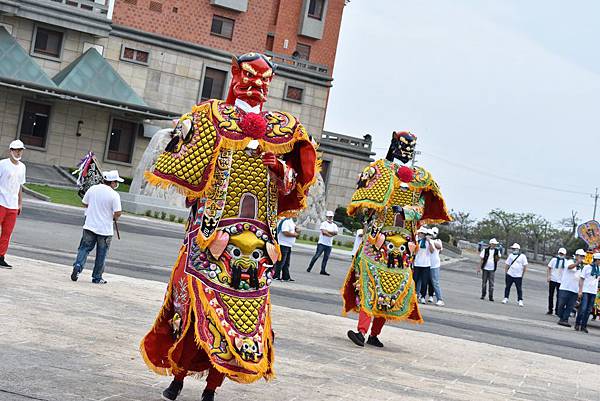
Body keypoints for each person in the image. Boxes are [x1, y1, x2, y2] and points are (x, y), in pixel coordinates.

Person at [139, 53, 318, 401]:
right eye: (250, 77)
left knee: (242, 319)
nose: (257, 87)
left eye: (264, 81)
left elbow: (294, 187)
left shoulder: (284, 129)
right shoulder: (211, 117)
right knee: (193, 311)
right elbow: (186, 172)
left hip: (258, 244)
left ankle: (211, 387)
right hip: (212, 236)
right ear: (236, 75)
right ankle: (178, 377)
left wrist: (281, 170)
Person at [342, 131, 451, 348]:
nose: (407, 151)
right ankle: (362, 331)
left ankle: (373, 333)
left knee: (392, 287)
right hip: (378, 239)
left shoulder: (419, 178)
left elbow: (421, 208)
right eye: (403, 146)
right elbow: (365, 201)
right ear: (393, 146)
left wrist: (405, 211)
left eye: (410, 147)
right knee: (369, 284)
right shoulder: (380, 170)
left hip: (403, 245)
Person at [70, 170, 123, 284]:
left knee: (84, 248)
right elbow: (118, 212)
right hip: (105, 229)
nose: (116, 184)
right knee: (101, 254)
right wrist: (114, 218)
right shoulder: (114, 195)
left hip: (89, 225)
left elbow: (84, 203)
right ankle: (97, 277)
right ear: (112, 182)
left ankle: (78, 266)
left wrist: (94, 206)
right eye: (116, 182)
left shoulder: (93, 189)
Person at [0, 140, 26, 269]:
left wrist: (20, 203)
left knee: (7, 233)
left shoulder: (22, 167)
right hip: (1, 203)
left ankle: (1, 257)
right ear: (10, 150)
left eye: (20, 150)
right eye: (16, 150)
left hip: (13, 206)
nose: (18, 152)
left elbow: (19, 186)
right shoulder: (3, 164)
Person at [556, 249, 585, 327]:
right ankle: (561, 317)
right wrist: (577, 263)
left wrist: (580, 290)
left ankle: (565, 320)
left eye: (583, 256)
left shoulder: (582, 266)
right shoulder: (570, 261)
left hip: (574, 289)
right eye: (580, 256)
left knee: (570, 306)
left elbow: (582, 278)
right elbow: (569, 267)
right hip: (565, 287)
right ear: (576, 255)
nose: (582, 257)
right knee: (561, 304)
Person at [306, 210, 338, 276]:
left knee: (326, 258)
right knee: (316, 256)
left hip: (329, 244)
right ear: (327, 217)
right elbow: (324, 232)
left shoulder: (334, 225)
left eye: (331, 217)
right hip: (321, 243)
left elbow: (336, 233)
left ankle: (322, 270)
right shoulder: (324, 223)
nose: (330, 218)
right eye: (329, 216)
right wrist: (330, 234)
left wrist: (328, 232)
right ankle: (309, 267)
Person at [575, 252, 600, 332]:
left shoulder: (599, 269)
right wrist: (580, 291)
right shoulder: (587, 267)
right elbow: (581, 279)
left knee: (589, 310)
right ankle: (577, 323)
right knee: (583, 308)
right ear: (596, 260)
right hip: (585, 290)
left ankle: (584, 326)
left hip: (593, 292)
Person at [274, 217, 299, 281]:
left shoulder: (291, 221)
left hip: (288, 245)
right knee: (281, 261)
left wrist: (297, 229)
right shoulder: (286, 221)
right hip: (283, 244)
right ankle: (276, 275)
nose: (296, 214)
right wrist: (295, 235)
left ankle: (286, 276)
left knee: (286, 262)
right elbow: (285, 232)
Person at [413, 226, 434, 304]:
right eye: (419, 233)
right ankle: (414, 295)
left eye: (420, 233)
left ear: (424, 234)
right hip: (417, 264)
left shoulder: (428, 242)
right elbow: (414, 251)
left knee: (424, 282)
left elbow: (432, 251)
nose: (419, 234)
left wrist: (429, 241)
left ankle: (422, 296)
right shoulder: (417, 241)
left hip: (426, 265)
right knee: (415, 280)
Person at [426, 227, 445, 306]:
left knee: (435, 282)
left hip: (434, 265)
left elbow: (439, 247)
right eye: (429, 234)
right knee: (423, 281)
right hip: (425, 264)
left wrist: (431, 241)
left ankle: (440, 299)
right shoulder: (423, 241)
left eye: (433, 234)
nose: (431, 235)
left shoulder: (437, 241)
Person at [546, 247, 567, 315]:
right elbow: (549, 268)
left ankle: (557, 310)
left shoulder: (566, 262)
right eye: (560, 253)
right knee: (551, 295)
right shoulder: (554, 260)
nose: (561, 255)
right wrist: (548, 276)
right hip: (553, 279)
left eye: (562, 254)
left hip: (561, 281)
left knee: (559, 296)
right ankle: (550, 309)